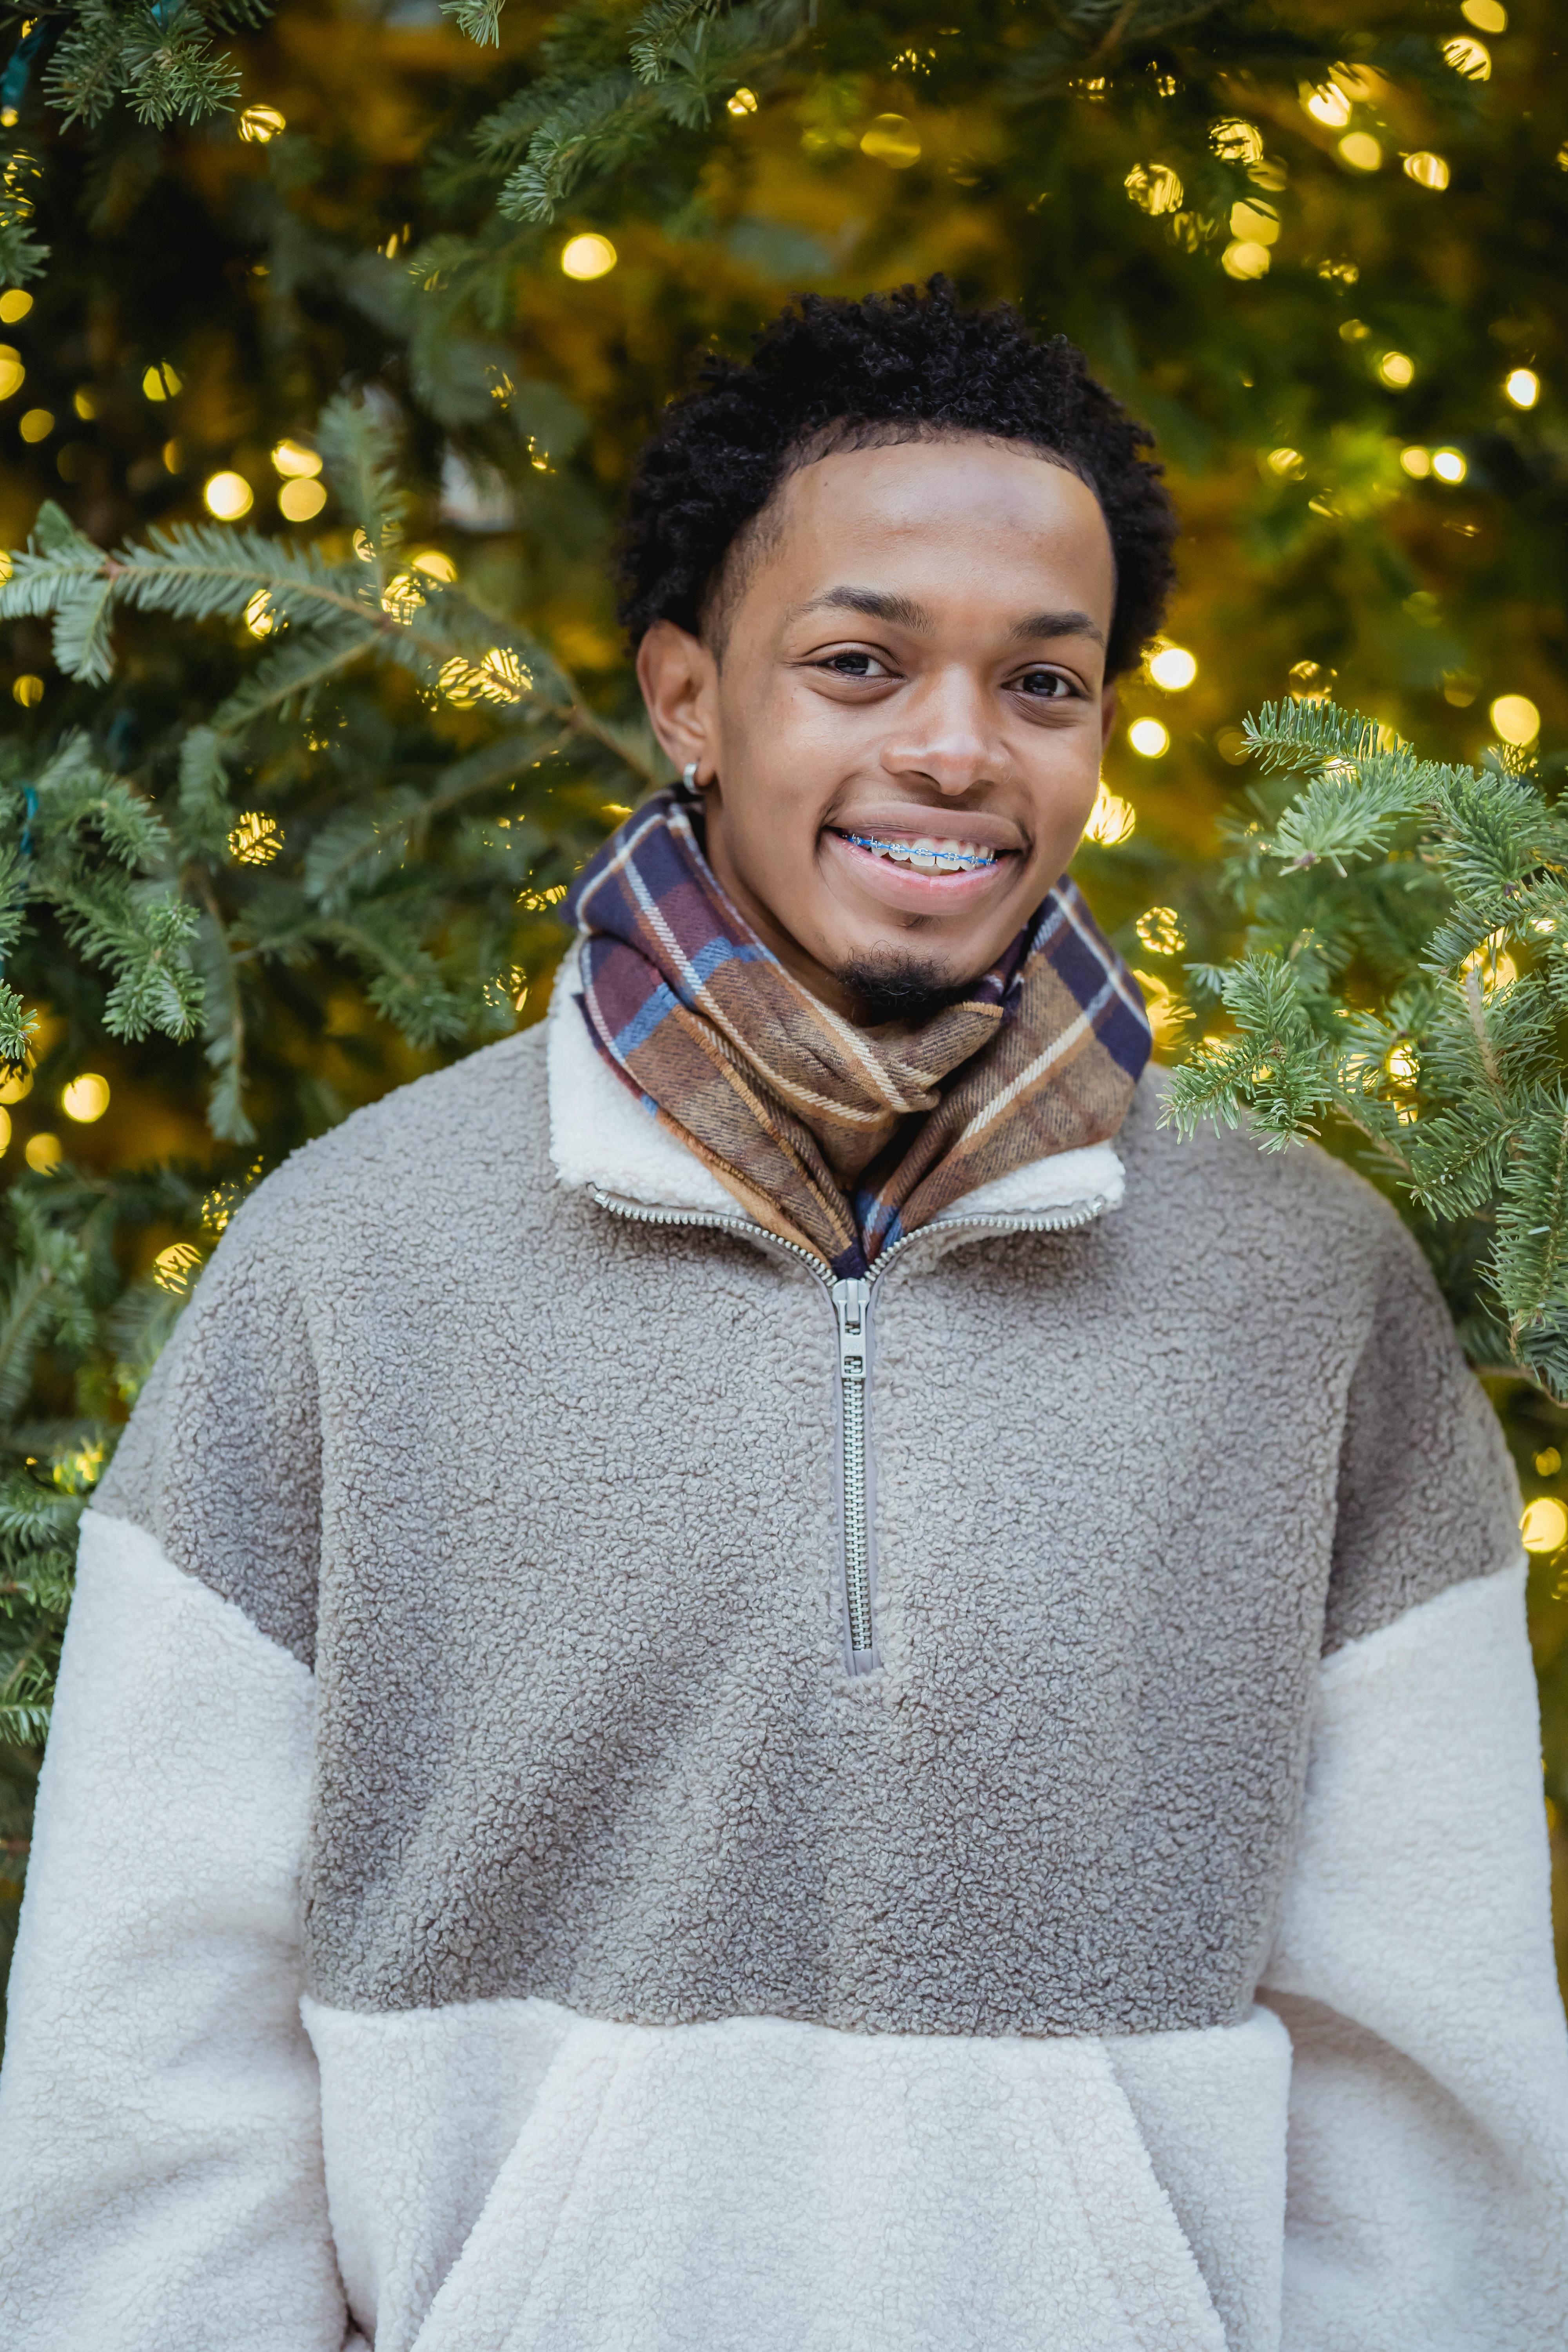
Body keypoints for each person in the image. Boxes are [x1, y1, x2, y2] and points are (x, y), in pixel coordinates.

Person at [1, 278, 1565, 2352]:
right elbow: (148, 2077)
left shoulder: (1303, 1295)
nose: (956, 747)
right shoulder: (349, 1264)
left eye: (1046, 682)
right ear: (687, 693)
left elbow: (1430, 2093)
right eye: (858, 661)